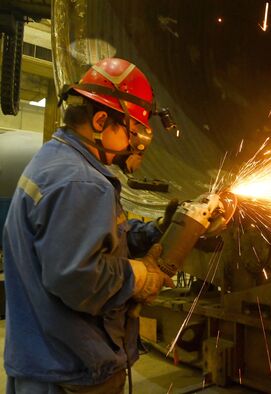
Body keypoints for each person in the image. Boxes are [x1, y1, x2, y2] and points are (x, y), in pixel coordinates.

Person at [2, 58, 177, 393]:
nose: (132, 146)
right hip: (69, 369)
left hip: (43, 361)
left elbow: (95, 240)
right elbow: (77, 276)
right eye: (131, 133)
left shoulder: (54, 160)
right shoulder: (82, 182)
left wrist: (159, 229)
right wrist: (138, 276)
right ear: (100, 120)